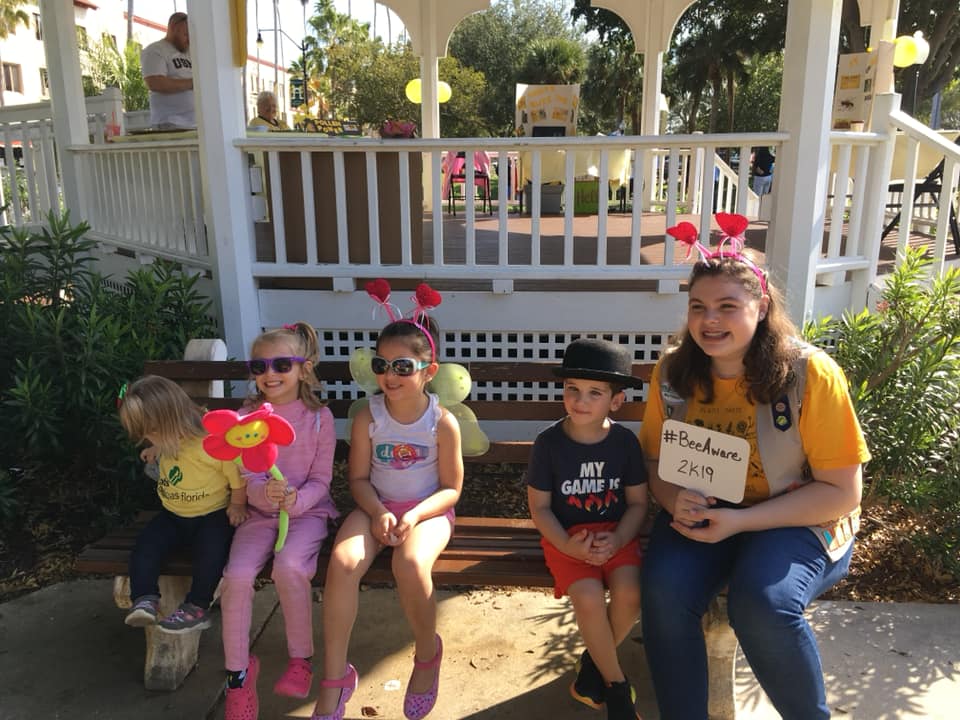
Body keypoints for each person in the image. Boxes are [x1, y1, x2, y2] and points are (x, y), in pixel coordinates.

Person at [640, 215, 870, 720]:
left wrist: (742, 521)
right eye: (698, 306)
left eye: (728, 306)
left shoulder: (809, 374)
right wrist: (673, 499)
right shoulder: (674, 372)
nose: (710, 320)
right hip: (708, 510)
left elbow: (841, 491)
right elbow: (656, 460)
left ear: (761, 307)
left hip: (799, 518)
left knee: (763, 603)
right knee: (662, 593)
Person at [311, 314, 463, 720]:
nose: (389, 376)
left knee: (409, 564)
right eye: (381, 365)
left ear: (429, 371)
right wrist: (378, 512)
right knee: (343, 562)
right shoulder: (369, 416)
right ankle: (334, 679)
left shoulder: (442, 423)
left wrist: (414, 514)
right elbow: (359, 479)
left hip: (428, 511)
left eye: (402, 367)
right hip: (374, 506)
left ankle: (427, 655)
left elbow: (451, 489)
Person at [220, 322, 338, 720]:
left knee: (289, 568)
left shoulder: (319, 418)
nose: (270, 374)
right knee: (237, 576)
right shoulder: (245, 419)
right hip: (259, 515)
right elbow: (247, 474)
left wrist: (297, 500)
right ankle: (238, 676)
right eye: (259, 366)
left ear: (304, 369)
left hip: (307, 514)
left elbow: (322, 478)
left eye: (282, 364)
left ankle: (301, 659)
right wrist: (261, 494)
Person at [526, 338, 647, 720]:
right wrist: (567, 544)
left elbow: (638, 503)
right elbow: (540, 508)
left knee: (630, 593)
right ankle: (616, 689)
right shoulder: (548, 444)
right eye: (572, 389)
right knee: (590, 598)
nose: (580, 400)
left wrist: (619, 538)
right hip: (566, 539)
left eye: (595, 392)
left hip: (615, 535)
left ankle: (592, 668)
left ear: (616, 401)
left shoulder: (625, 443)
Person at [118, 375, 247, 632]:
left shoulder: (211, 442)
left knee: (211, 555)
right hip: (173, 515)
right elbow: (165, 443)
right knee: (145, 547)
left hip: (212, 516)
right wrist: (155, 449)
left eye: (152, 432)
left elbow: (237, 478)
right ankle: (144, 598)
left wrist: (237, 505)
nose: (149, 437)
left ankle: (197, 606)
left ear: (173, 418)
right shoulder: (166, 437)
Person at [141, 12, 195, 129]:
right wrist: (193, 83)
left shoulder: (191, 52)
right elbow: (156, 83)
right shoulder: (155, 50)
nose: (189, 40)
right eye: (186, 34)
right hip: (170, 124)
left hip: (196, 123)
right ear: (174, 28)